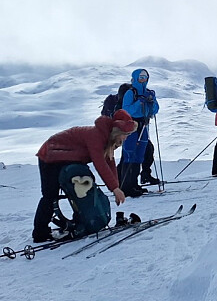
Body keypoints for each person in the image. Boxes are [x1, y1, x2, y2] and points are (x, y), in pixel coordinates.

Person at [33, 109, 136, 242]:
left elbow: (109, 161)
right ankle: (40, 233)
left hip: (65, 158)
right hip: (51, 154)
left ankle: (81, 221)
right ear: (117, 132)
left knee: (80, 190)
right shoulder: (96, 136)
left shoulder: (107, 138)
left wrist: (116, 187)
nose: (126, 138)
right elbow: (100, 163)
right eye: (125, 134)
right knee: (50, 195)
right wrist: (115, 189)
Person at [118, 68, 160, 197]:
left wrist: (151, 101)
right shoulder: (131, 93)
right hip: (131, 125)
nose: (143, 80)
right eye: (141, 77)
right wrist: (139, 102)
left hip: (144, 124)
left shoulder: (147, 92)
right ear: (135, 78)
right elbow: (127, 110)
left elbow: (155, 110)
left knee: (139, 155)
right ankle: (126, 186)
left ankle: (134, 184)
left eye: (145, 77)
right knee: (130, 153)